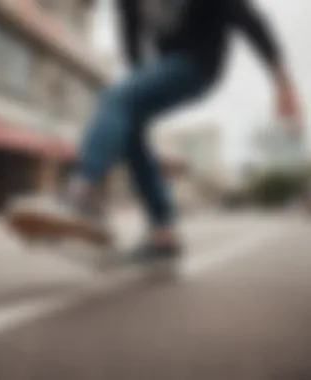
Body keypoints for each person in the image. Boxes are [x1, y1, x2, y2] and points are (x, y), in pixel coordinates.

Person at [19, 0, 301, 263]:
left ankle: (82, 197)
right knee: (128, 120)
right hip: (166, 65)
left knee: (115, 100)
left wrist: (282, 82)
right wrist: (135, 104)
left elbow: (247, 18)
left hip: (202, 63)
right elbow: (133, 52)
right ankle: (163, 234)